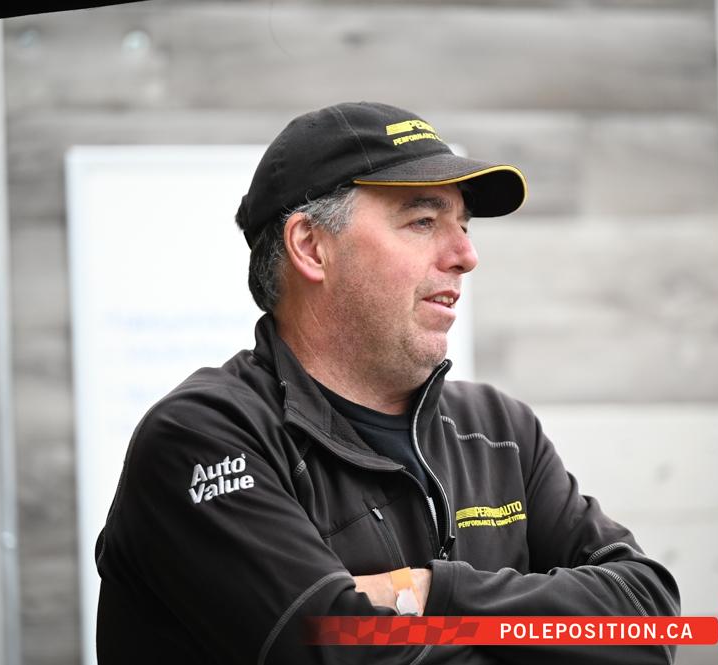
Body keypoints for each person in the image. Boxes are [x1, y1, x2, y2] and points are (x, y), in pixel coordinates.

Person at [95, 101, 680, 664]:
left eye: (463, 225)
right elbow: (335, 653)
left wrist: (429, 591)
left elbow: (649, 618)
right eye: (423, 222)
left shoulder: (498, 431)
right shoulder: (205, 438)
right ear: (312, 247)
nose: (466, 254)